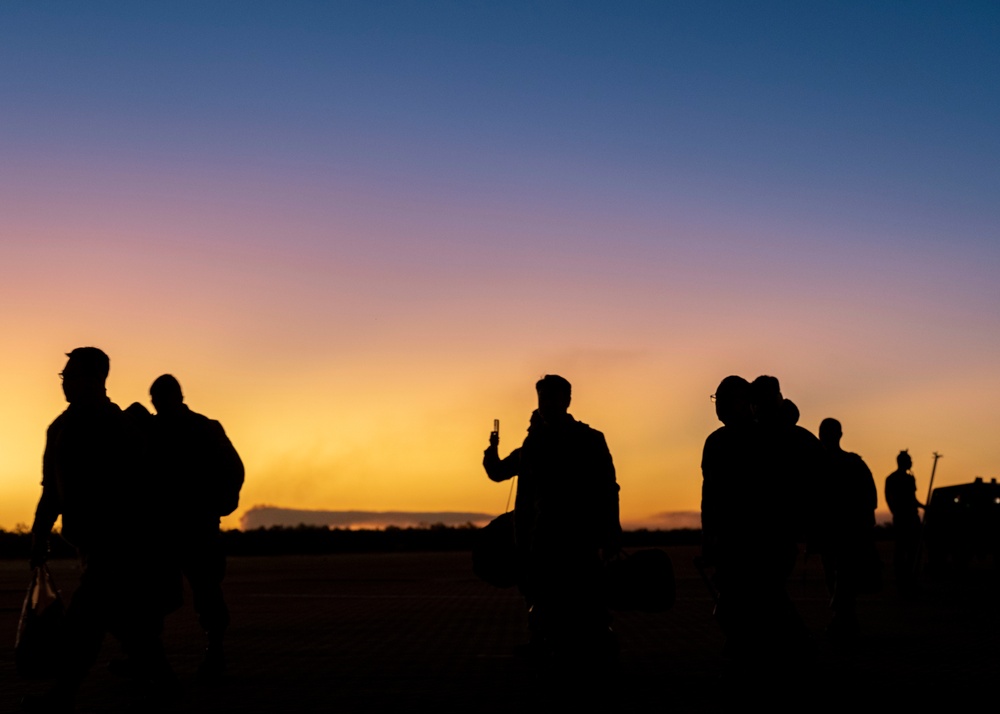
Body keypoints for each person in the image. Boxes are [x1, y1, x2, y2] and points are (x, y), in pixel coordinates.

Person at [27, 348, 174, 712]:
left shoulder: (117, 426)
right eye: (63, 376)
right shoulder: (60, 428)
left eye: (70, 375)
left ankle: (62, 695)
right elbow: (51, 491)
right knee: (128, 625)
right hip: (92, 544)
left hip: (120, 545)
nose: (64, 382)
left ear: (93, 379)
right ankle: (166, 684)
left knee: (83, 622)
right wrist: (39, 535)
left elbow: (144, 486)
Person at [483, 375, 621, 662]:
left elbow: (608, 489)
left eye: (552, 397)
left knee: (586, 598)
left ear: (567, 401)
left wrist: (610, 536)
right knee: (541, 597)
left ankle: (594, 647)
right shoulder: (532, 446)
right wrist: (491, 450)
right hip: (540, 538)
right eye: (542, 398)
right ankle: (544, 643)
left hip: (579, 536)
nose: (546, 404)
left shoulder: (588, 440)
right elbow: (498, 472)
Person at [149, 374, 244, 682]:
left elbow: (232, 470)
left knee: (203, 592)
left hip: (192, 527)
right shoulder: (161, 429)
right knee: (158, 596)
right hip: (171, 529)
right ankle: (148, 658)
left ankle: (213, 652)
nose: (158, 406)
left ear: (174, 398)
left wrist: (219, 504)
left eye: (160, 400)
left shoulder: (200, 429)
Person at [817, 418, 878, 639]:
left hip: (847, 531)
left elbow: (869, 498)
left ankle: (843, 618)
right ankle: (844, 618)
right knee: (836, 577)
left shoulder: (850, 463)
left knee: (842, 577)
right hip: (832, 531)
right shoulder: (820, 464)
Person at [885, 450, 922, 594]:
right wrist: (896, 511)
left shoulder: (910, 478)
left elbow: (913, 499)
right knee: (901, 550)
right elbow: (889, 497)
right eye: (909, 460)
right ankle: (902, 581)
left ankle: (910, 579)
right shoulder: (893, 478)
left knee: (913, 551)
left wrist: (923, 506)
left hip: (912, 517)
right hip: (902, 518)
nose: (912, 462)